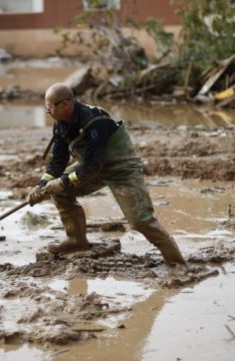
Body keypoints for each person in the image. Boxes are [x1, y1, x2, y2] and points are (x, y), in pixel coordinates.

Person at [28, 83, 187, 269]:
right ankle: (76, 240)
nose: (48, 112)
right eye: (46, 108)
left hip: (121, 169)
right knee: (60, 191)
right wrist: (42, 185)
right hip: (92, 166)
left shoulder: (95, 120)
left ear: (65, 104)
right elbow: (59, 160)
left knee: (140, 220)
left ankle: (178, 263)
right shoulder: (60, 123)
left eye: (50, 107)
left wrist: (62, 182)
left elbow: (93, 166)